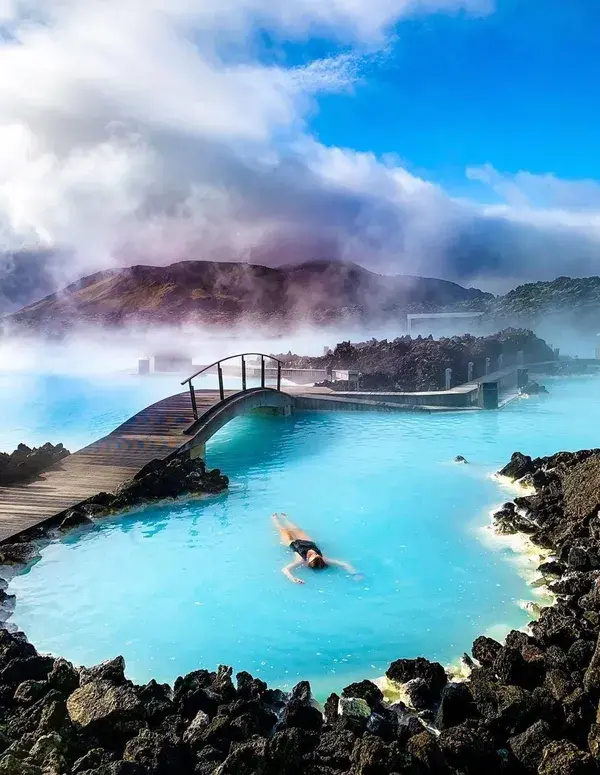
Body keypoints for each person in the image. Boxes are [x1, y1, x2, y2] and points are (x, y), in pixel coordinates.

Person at [272, 513, 359, 584]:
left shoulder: (300, 560)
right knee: (296, 529)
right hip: (308, 541)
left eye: (312, 555)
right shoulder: (323, 559)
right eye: (316, 554)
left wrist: (293, 579)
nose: (313, 552)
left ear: (308, 561)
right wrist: (354, 573)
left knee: (283, 530)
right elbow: (343, 564)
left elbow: (285, 569)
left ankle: (275, 519)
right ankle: (285, 519)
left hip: (292, 543)